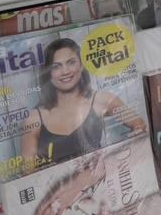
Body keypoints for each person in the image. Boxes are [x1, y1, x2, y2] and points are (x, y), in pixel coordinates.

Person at [19, 37, 146, 174]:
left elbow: (139, 124)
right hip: (60, 192)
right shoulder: (33, 119)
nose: (65, 71)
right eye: (56, 66)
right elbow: (28, 174)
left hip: (104, 187)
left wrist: (120, 158)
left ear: (81, 65)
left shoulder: (101, 99)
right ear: (48, 73)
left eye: (71, 62)